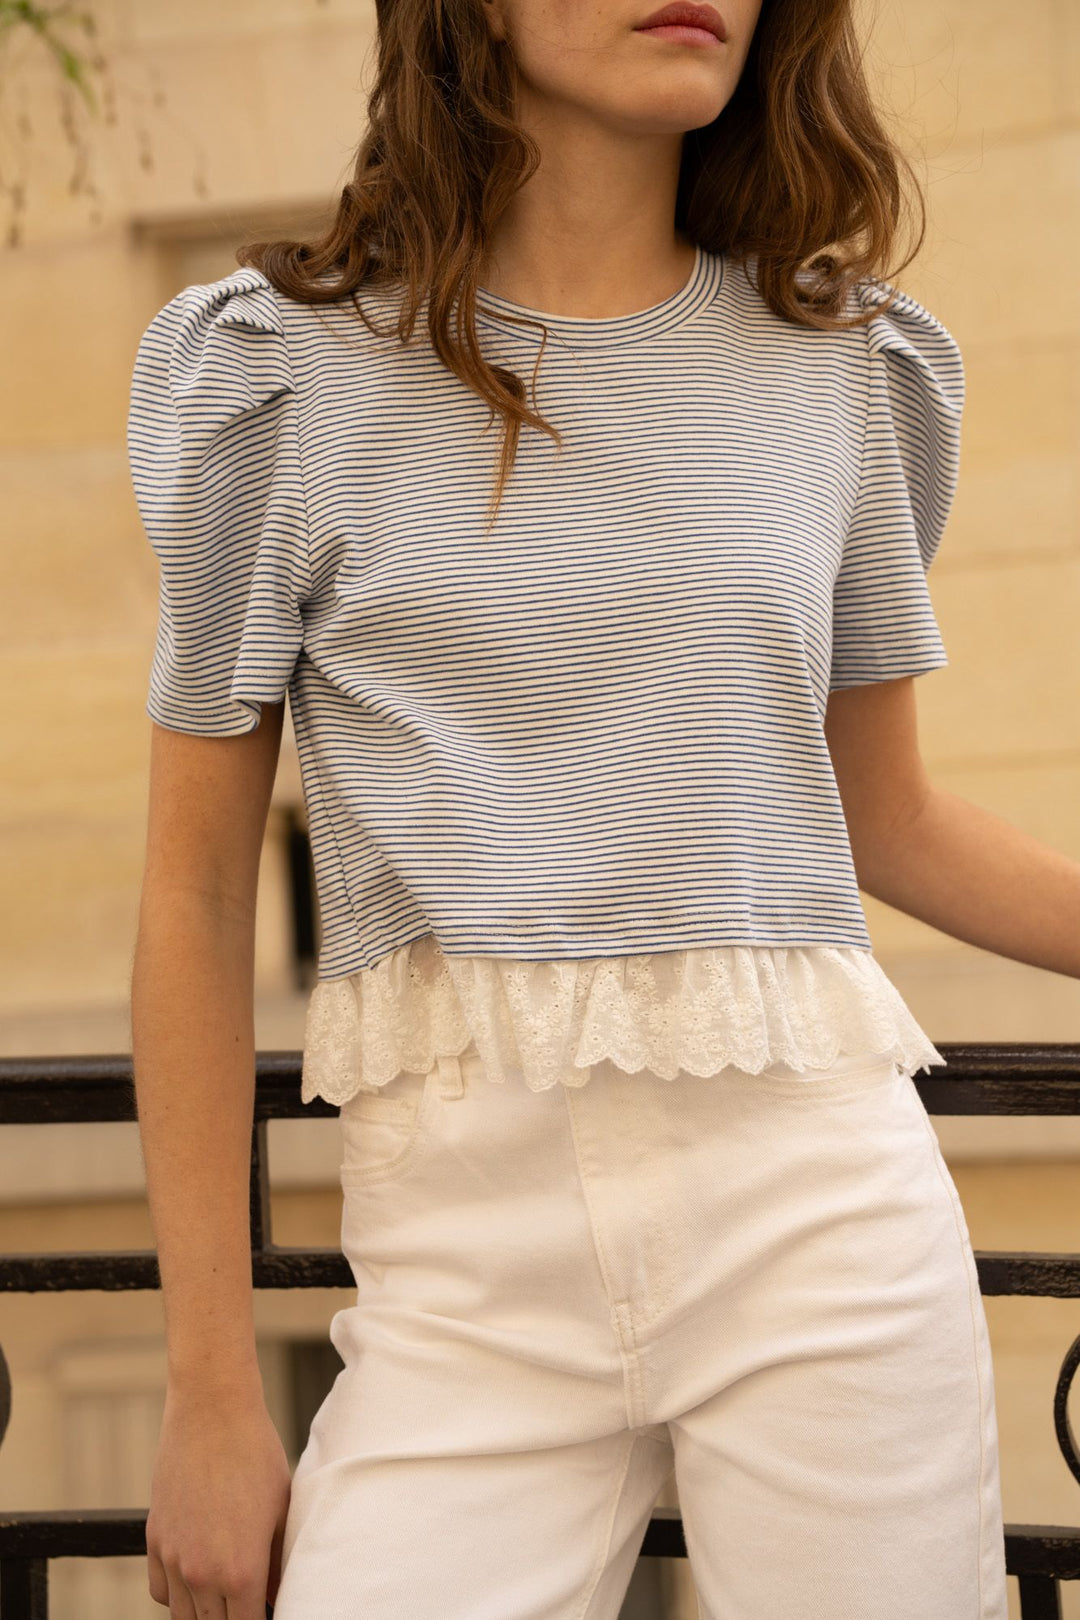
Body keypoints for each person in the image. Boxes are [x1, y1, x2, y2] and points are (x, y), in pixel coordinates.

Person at [129, 0, 1080, 1613]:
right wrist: (214, 1391)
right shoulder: (277, 376)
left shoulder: (845, 367)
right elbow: (199, 895)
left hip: (816, 1219)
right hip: (456, 1276)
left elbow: (889, 814)